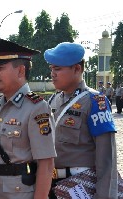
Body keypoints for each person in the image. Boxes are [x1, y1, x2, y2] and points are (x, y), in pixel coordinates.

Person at [44, 42, 117, 199]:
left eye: (58, 69)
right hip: (53, 186)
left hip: (82, 187)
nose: (52, 74)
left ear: (77, 69)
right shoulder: (53, 100)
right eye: (51, 69)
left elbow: (106, 161)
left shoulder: (95, 101)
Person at [0, 38, 56, 199]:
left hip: (20, 193)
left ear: (20, 71)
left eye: (1, 68)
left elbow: (46, 164)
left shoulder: (37, 108)